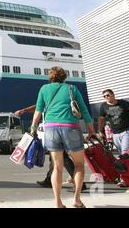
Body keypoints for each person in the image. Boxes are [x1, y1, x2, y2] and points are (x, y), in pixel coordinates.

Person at [30, 66, 95, 208]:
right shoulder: (72, 88)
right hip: (70, 128)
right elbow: (83, 110)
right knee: (78, 165)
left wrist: (33, 129)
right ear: (64, 77)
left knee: (57, 167)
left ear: (51, 77)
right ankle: (77, 200)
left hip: (51, 129)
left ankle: (58, 203)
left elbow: (38, 111)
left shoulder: (44, 89)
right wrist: (91, 130)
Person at [15, 105, 87, 191]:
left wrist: (25, 112)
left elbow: (38, 107)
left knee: (62, 157)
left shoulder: (50, 97)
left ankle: (80, 184)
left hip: (56, 130)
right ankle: (49, 180)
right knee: (54, 156)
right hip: (66, 128)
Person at [98, 89, 129, 187]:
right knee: (122, 155)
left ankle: (124, 179)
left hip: (127, 131)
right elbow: (101, 119)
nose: (106, 97)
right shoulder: (103, 106)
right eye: (104, 96)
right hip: (115, 134)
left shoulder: (123, 103)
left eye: (108, 95)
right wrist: (100, 130)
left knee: (125, 154)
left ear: (113, 95)